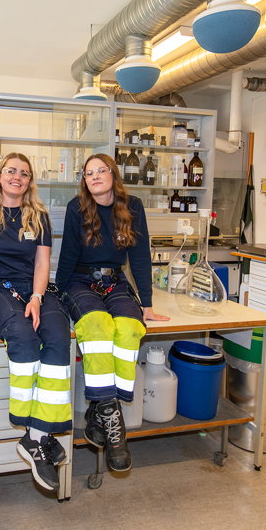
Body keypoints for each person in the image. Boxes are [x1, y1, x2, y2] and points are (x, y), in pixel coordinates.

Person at [55, 152, 170, 473]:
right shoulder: (77, 209)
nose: (94, 177)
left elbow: (141, 258)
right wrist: (60, 294)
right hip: (80, 280)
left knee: (131, 328)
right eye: (88, 173)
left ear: (112, 174)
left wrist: (146, 305)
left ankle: (100, 411)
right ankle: (113, 419)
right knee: (97, 326)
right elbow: (67, 256)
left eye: (100, 171)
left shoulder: (132, 207)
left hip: (116, 281)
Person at [0, 152, 71, 493]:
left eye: (24, 173)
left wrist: (39, 297)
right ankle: (35, 428)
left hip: (35, 289)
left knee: (57, 336)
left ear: (29, 181)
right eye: (10, 171)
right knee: (24, 340)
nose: (17, 177)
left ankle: (36, 435)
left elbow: (43, 263)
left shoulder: (38, 216)